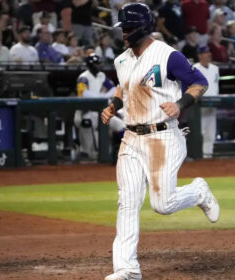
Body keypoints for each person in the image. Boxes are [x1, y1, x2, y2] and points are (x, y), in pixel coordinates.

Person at [101, 3, 220, 280]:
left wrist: (180, 104)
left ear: (143, 27)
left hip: (163, 136)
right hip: (131, 138)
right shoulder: (122, 59)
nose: (124, 34)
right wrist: (114, 105)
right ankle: (127, 269)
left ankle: (199, 192)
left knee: (162, 204)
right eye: (123, 29)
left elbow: (199, 82)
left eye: (128, 28)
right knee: (127, 202)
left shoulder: (168, 56)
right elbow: (124, 86)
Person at [75, 53, 123, 159]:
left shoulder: (101, 76)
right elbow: (83, 93)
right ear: (90, 65)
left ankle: (124, 151)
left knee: (122, 126)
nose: (99, 66)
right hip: (86, 111)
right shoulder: (83, 77)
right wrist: (101, 97)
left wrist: (104, 96)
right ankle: (86, 152)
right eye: (97, 64)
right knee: (87, 123)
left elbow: (113, 89)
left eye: (99, 64)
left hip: (101, 110)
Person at [194, 46, 219, 158]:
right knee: (198, 133)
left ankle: (207, 157)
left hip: (213, 105)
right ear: (200, 55)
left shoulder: (215, 68)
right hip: (199, 106)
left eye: (209, 52)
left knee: (211, 134)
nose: (208, 54)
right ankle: (196, 156)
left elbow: (215, 86)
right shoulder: (194, 68)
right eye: (205, 53)